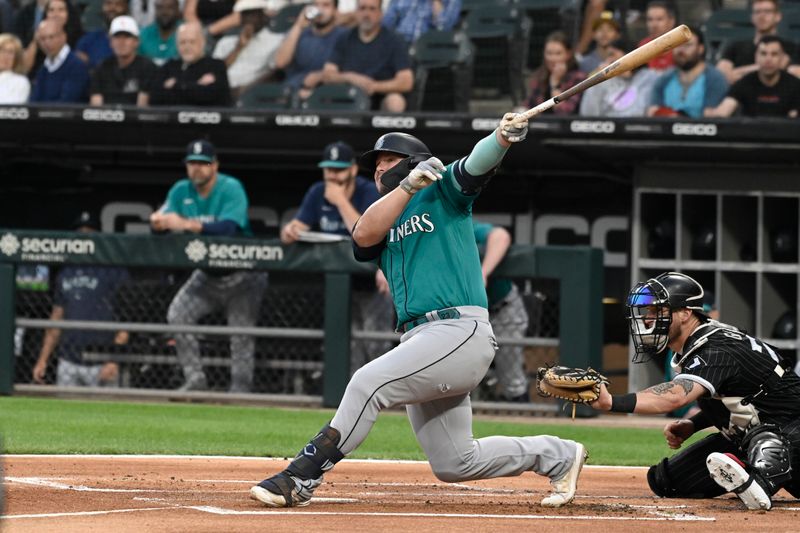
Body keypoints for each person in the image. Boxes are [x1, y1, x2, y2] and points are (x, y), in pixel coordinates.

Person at [250, 113, 589, 510]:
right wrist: (406, 184)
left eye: (389, 160)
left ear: (414, 161)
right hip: (419, 338)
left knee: (367, 383)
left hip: (458, 330)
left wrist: (500, 138)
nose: (378, 168)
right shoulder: (384, 213)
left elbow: (476, 163)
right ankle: (558, 454)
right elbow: (361, 235)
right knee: (455, 462)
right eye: (376, 164)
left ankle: (300, 476)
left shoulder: (444, 193)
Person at [589, 271, 800, 511]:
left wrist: (611, 402)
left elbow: (675, 396)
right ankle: (751, 466)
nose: (648, 319)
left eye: (658, 311)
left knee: (768, 439)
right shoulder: (695, 346)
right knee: (667, 481)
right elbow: (738, 399)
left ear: (685, 313)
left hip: (792, 431)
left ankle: (759, 482)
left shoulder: (717, 348)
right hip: (759, 433)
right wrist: (694, 425)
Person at [150, 139, 267, 393]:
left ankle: (240, 391)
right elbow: (161, 220)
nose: (197, 169)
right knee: (178, 315)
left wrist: (186, 224)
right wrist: (159, 221)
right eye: (192, 163)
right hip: (206, 275)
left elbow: (229, 228)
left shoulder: (230, 187)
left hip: (242, 275)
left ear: (215, 166)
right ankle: (195, 379)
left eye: (203, 163)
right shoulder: (181, 190)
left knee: (241, 336)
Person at [280, 140, 393, 373]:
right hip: (340, 288)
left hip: (372, 280)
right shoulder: (317, 192)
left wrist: (340, 201)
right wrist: (290, 230)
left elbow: (365, 232)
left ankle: (389, 400)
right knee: (347, 346)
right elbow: (294, 229)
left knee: (375, 345)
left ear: (352, 169)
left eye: (339, 169)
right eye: (329, 169)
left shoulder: (368, 190)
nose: (332, 175)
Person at [32, 211, 130, 388]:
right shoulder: (65, 272)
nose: (84, 238)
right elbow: (56, 318)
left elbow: (126, 320)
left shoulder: (114, 270)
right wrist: (42, 360)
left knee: (106, 415)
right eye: (80, 233)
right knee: (65, 414)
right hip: (68, 360)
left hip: (101, 360)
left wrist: (114, 360)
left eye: (89, 232)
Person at [322, 0, 413, 112]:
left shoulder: (395, 40)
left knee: (396, 101)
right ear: (356, 12)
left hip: (381, 97)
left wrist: (374, 86)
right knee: (324, 96)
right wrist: (350, 77)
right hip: (348, 95)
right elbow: (327, 75)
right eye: (362, 8)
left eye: (372, 9)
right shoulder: (344, 38)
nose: (366, 14)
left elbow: (406, 82)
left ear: (380, 14)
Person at [474, 222, 529, 403]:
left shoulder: (463, 225)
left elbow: (501, 236)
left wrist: (483, 273)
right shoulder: (433, 237)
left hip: (502, 309)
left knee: (512, 379)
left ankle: (522, 414)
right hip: (468, 318)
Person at [706, 35, 800, 119]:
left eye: (774, 54)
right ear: (756, 57)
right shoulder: (744, 83)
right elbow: (724, 111)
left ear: (782, 58)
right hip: (750, 135)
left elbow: (793, 118)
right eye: (763, 54)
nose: (768, 59)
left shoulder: (795, 85)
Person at [274, 0, 348, 101]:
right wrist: (298, 26)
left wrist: (318, 78)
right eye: (316, 5)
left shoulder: (344, 35)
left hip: (327, 95)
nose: (320, 10)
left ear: (335, 10)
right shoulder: (298, 32)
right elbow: (280, 62)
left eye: (326, 5)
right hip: (292, 93)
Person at [646, 28, 728, 118]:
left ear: (700, 49)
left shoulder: (714, 79)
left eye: (688, 45)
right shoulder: (663, 79)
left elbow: (712, 120)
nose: (681, 50)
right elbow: (653, 112)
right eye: (677, 45)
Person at [212, 0, 283, 99]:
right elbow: (215, 71)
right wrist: (238, 48)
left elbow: (274, 73)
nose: (248, 19)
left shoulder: (276, 41)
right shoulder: (226, 41)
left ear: (262, 15)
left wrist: (247, 89)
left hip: (254, 95)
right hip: (221, 93)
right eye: (244, 15)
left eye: (253, 14)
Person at [716, 0, 799, 85]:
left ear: (778, 16)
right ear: (752, 17)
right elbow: (720, 79)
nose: (762, 16)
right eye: (757, 12)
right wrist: (769, 67)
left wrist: (740, 72)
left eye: (767, 11)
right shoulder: (735, 46)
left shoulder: (792, 48)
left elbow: (796, 77)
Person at [149, 21, 231, 106]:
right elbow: (155, 98)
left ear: (202, 43)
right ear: (177, 45)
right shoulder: (168, 67)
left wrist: (176, 85)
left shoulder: (216, 66)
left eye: (192, 42)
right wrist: (197, 86)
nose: (187, 47)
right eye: (182, 42)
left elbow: (211, 96)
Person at [579, 38, 659, 117]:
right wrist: (597, 81)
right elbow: (588, 114)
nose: (609, 60)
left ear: (628, 54)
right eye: (607, 56)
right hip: (609, 127)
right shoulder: (602, 81)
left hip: (640, 126)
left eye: (612, 55)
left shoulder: (649, 77)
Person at [90, 15, 157, 105]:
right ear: (111, 42)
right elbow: (96, 107)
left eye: (127, 36)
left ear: (136, 42)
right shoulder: (102, 68)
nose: (121, 42)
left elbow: (142, 110)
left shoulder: (147, 68)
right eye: (117, 37)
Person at [524, 31, 586, 116]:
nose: (553, 58)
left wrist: (555, 84)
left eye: (558, 53)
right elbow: (529, 106)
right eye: (549, 53)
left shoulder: (578, 78)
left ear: (568, 54)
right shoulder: (539, 76)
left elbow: (563, 112)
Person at [29, 17, 90, 102]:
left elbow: (67, 103)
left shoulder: (76, 66)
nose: (47, 43)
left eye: (51, 37)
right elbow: (34, 102)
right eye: (42, 39)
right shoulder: (43, 69)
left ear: (63, 37)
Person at [20, 0, 83, 76]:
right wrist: (35, 41)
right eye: (51, 10)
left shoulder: (80, 36)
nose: (55, 14)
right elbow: (24, 69)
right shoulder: (36, 34)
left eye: (61, 10)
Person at [75, 0, 130, 69]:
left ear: (126, 8)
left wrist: (91, 62)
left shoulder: (137, 39)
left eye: (118, 4)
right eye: (108, 3)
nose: (112, 8)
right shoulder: (89, 40)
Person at [381, 0, 461, 45]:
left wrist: (435, 2)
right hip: (399, 45)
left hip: (428, 48)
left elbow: (443, 27)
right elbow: (385, 25)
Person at [137, 0, 181, 66]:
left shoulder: (187, 33)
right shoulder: (144, 34)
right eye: (160, 7)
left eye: (170, 7)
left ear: (177, 10)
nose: (164, 12)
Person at [578, 10, 621, 74]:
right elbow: (583, 81)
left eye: (610, 29)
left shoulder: (622, 57)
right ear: (593, 34)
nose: (605, 33)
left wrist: (621, 62)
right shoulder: (586, 61)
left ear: (617, 35)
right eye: (600, 29)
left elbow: (629, 80)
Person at [637, 0, 676, 71]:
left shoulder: (680, 45)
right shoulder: (642, 45)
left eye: (659, 19)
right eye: (650, 19)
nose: (654, 25)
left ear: (671, 21)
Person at [0, 33, 30, 102]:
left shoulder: (21, 82)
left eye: (10, 52)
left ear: (16, 58)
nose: (5, 56)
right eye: (2, 50)